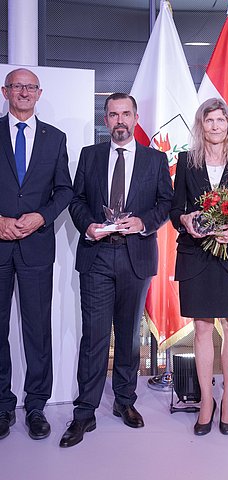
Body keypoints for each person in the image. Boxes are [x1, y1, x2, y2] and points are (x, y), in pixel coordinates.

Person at [60, 93, 173, 448]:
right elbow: (76, 199)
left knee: (128, 335)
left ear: (135, 118)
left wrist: (143, 223)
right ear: (105, 119)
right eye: (113, 114)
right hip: (96, 256)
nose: (119, 120)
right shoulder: (90, 156)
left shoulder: (155, 159)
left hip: (135, 256)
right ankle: (85, 411)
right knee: (94, 336)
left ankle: (124, 401)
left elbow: (166, 203)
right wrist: (87, 226)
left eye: (126, 113)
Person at [170, 98, 228, 436]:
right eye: (209, 120)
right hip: (196, 255)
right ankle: (206, 401)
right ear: (201, 124)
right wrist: (185, 220)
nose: (215, 126)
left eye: (221, 120)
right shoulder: (186, 161)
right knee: (202, 328)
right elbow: (175, 209)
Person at [0, 68, 73, 441]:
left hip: (37, 247)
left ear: (39, 93)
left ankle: (35, 407)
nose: (24, 92)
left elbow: (65, 190)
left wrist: (42, 216)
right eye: (17, 86)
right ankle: (2, 405)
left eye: (30, 87)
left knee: (37, 331)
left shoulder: (55, 139)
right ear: (5, 92)